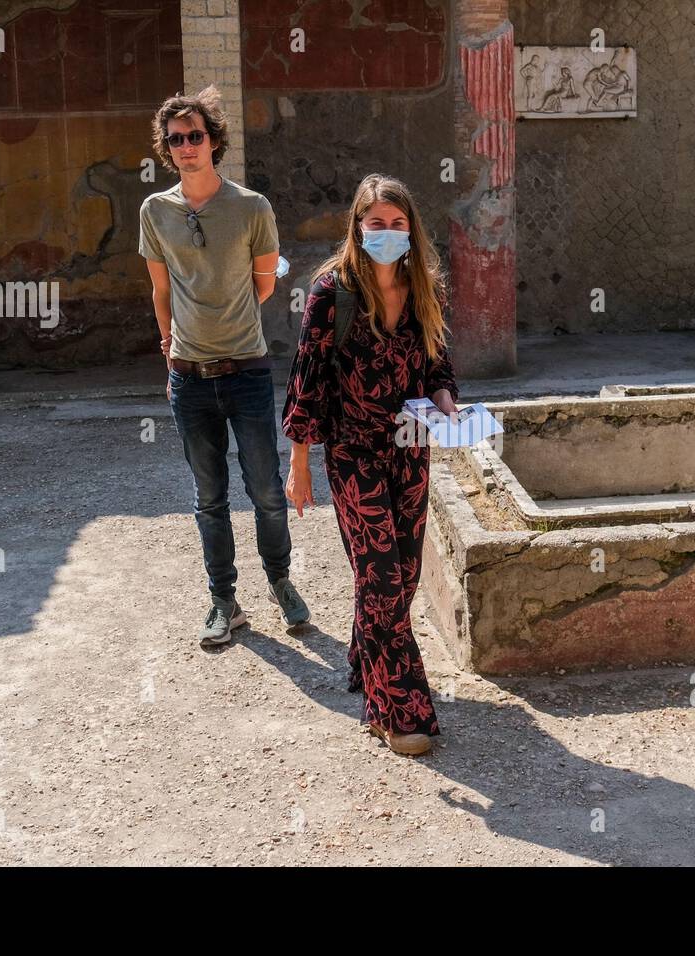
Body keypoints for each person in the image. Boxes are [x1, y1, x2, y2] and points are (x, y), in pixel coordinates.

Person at [280, 174, 459, 757]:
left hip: (411, 450)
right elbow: (307, 379)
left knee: (401, 575)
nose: (387, 233)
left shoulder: (423, 286)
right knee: (380, 576)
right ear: (358, 227)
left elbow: (437, 363)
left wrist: (448, 403)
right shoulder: (332, 292)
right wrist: (299, 462)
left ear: (412, 229)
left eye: (397, 223)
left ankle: (366, 658)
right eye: (376, 223)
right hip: (353, 453)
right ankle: (397, 709)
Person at [139, 85, 311, 647]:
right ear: (168, 150)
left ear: (214, 141)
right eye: (176, 140)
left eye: (195, 136)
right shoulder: (155, 211)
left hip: (247, 372)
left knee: (264, 487)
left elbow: (264, 283)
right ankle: (224, 600)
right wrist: (168, 341)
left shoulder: (252, 207)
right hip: (188, 378)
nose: (186, 146)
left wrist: (224, 317)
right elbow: (161, 290)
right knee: (208, 497)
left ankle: (281, 583)